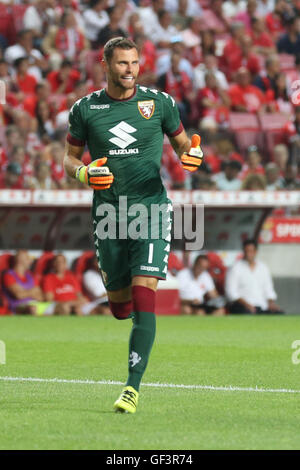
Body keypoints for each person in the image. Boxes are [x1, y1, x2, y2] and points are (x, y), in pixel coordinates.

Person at [63, 37, 204, 414]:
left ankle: (132, 388)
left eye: (135, 63)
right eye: (122, 63)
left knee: (145, 297)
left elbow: (182, 145)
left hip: (152, 209)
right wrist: (82, 174)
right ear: (105, 64)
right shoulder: (85, 109)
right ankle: (123, 312)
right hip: (109, 215)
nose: (130, 70)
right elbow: (69, 157)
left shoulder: (158, 103)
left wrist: (192, 157)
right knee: (121, 308)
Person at [225, 239, 283, 314]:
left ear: (256, 252)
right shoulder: (235, 268)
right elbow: (231, 293)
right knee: (245, 312)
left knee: (279, 313)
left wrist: (271, 303)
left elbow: (269, 289)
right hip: (242, 306)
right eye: (246, 251)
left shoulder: (263, 268)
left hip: (262, 306)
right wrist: (247, 305)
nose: (248, 254)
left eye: (251, 251)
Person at [2, 250, 44, 315]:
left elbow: (40, 296)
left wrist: (25, 292)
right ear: (20, 260)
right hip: (17, 307)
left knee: (62, 306)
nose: (30, 261)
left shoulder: (31, 276)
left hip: (36, 304)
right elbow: (19, 295)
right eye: (27, 258)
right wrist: (32, 292)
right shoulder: (9, 275)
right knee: (32, 308)